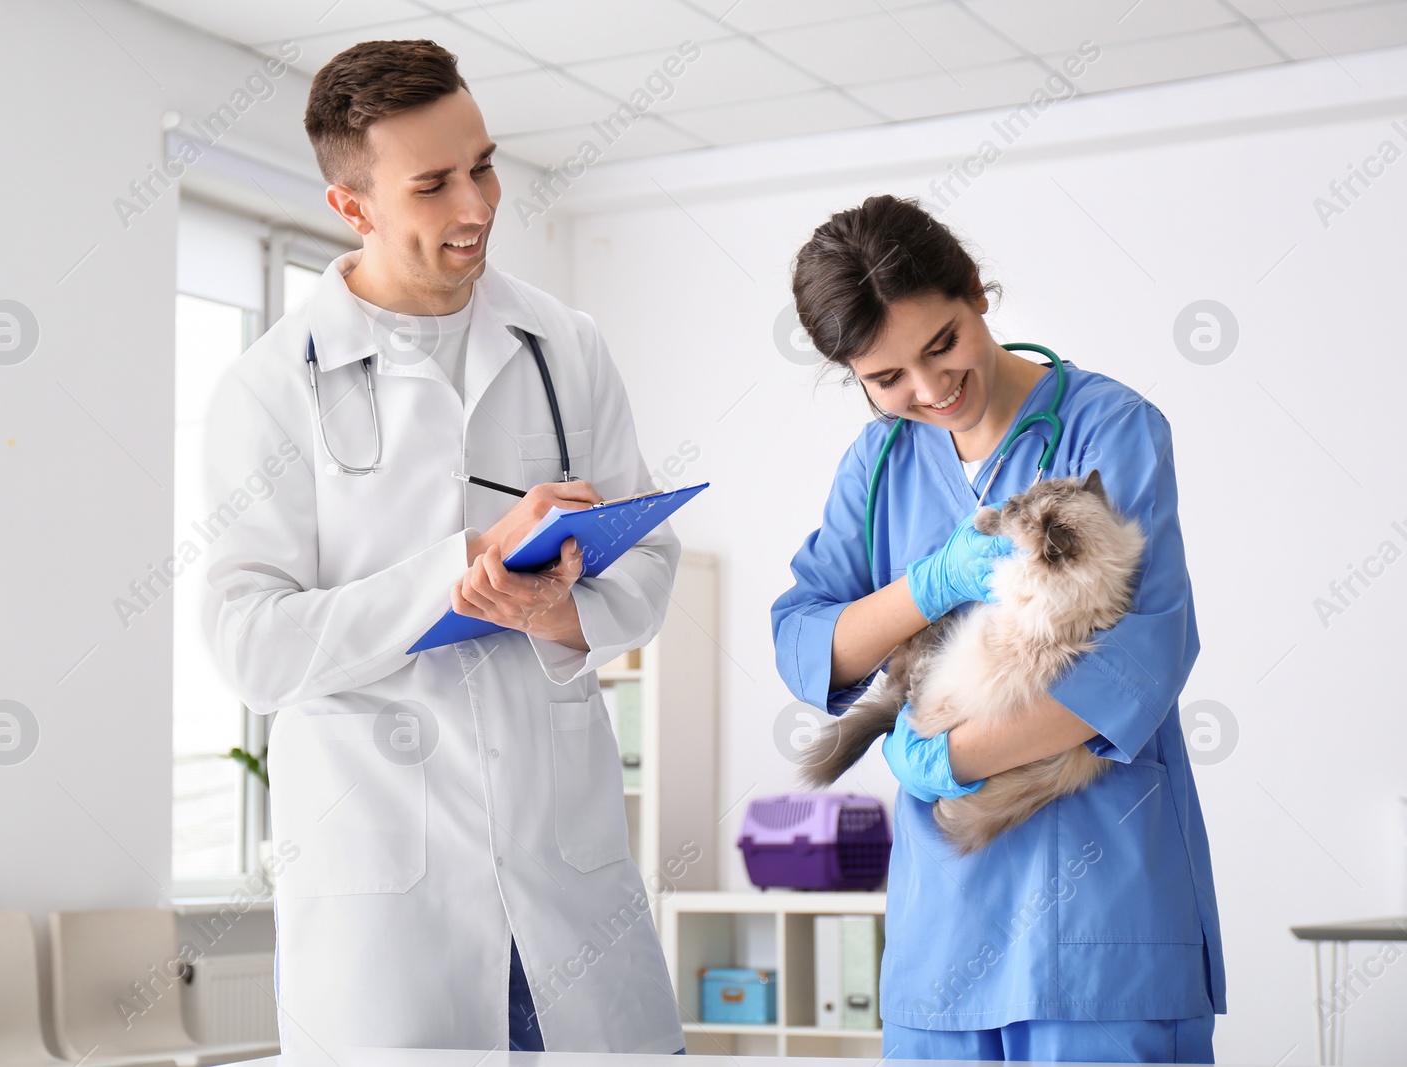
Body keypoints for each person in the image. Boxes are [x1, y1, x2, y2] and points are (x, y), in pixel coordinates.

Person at [199, 39, 685, 1057]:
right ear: (354, 206)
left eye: (483, 164)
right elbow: (251, 643)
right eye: (432, 184)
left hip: (565, 880)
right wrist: (454, 568)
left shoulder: (566, 345)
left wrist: (563, 612)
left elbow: (649, 559)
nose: (476, 206)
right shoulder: (271, 385)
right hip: (389, 902)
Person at [770, 194, 1225, 1063]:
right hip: (942, 934)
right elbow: (806, 641)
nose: (931, 389)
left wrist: (945, 758)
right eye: (887, 378)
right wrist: (927, 583)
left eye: (942, 343)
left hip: (1100, 925)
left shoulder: (1110, 426)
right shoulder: (879, 465)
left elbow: (1139, 663)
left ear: (977, 292)